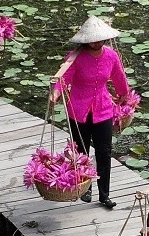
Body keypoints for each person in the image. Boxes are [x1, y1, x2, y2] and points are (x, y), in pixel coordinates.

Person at [49, 16, 132, 210]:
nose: (96, 43)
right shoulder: (75, 57)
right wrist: (55, 94)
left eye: (99, 39)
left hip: (103, 109)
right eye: (92, 39)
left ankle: (105, 194)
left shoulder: (111, 55)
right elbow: (63, 79)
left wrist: (124, 96)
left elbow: (119, 77)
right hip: (78, 110)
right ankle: (85, 187)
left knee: (104, 152)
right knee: (81, 152)